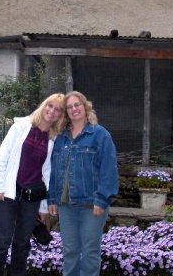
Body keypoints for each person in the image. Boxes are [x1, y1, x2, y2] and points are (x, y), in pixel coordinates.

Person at [0, 93, 66, 276]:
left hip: (31, 198)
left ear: (60, 116)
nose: (52, 111)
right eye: (50, 106)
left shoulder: (52, 139)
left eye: (58, 110)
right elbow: (2, 155)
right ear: (44, 105)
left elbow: (46, 173)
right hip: (8, 193)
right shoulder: (21, 126)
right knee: (2, 242)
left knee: (22, 243)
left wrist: (44, 206)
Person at [47, 91, 118, 276]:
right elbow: (55, 170)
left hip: (91, 204)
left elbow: (109, 170)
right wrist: (52, 199)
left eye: (77, 105)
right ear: (66, 112)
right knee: (69, 251)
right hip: (66, 205)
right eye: (69, 107)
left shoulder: (100, 135)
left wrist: (102, 200)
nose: (74, 109)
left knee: (90, 252)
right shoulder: (61, 138)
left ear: (85, 107)